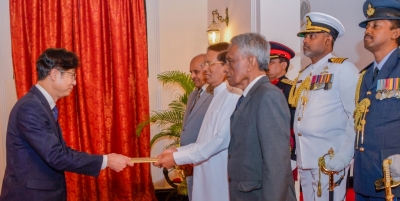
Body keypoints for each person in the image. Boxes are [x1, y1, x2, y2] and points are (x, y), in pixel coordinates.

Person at [0, 48, 134, 201]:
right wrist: (106, 160)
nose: (75, 82)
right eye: (72, 75)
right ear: (54, 74)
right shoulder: (31, 107)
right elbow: (56, 156)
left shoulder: (40, 105)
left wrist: (105, 160)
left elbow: (60, 151)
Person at [154, 42, 241, 201]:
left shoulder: (233, 95)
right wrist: (177, 152)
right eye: (204, 64)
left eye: (209, 63)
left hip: (219, 178)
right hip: (206, 176)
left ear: (225, 65)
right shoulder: (216, 94)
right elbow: (203, 141)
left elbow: (219, 140)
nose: (205, 69)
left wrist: (177, 158)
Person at [290, 12, 359, 201]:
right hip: (306, 157)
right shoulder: (304, 74)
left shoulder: (343, 68)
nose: (305, 41)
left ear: (328, 39)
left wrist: (344, 156)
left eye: (312, 36)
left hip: (329, 158)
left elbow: (356, 116)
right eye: (305, 37)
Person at [225, 33, 296, 201]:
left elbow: (276, 162)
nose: (226, 68)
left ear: (250, 62)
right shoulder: (250, 96)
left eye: (231, 61)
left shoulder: (268, 96)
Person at [354, 1, 400, 200]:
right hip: (366, 176)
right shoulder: (365, 75)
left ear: (395, 33)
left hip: (394, 177)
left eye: (375, 25)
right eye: (367, 26)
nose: (368, 30)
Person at [179, 53, 213, 201]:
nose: (192, 76)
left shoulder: (215, 94)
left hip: (204, 160)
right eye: (191, 72)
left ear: (207, 69)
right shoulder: (193, 94)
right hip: (189, 161)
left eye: (196, 72)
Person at [266, 41, 297, 180]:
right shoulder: (263, 88)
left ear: (283, 65)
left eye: (271, 62)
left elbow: (293, 124)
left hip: (282, 149)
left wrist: (292, 154)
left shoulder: (290, 89)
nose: (266, 66)